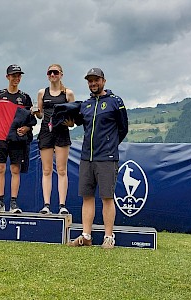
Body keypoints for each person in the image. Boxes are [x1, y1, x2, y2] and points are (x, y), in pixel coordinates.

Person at [68, 68, 128, 249]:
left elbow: (123, 128)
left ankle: (109, 237)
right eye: (90, 81)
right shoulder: (85, 104)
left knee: (107, 198)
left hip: (107, 158)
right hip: (87, 157)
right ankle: (86, 236)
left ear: (104, 81)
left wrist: (110, 145)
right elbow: (75, 122)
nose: (93, 83)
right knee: (87, 197)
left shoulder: (115, 102)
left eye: (96, 80)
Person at [0, 64, 34, 213]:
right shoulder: (0, 95)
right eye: (14, 75)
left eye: (19, 75)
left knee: (15, 169)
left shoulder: (25, 97)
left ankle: (13, 203)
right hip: (1, 137)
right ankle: (0, 202)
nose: (17, 78)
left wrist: (26, 129)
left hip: (17, 139)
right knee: (0, 168)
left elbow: (31, 121)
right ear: (7, 77)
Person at [34, 64, 75, 215]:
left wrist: (69, 122)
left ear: (61, 74)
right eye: (50, 72)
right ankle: (46, 205)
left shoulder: (68, 93)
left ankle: (62, 205)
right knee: (46, 170)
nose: (53, 75)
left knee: (62, 170)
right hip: (46, 131)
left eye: (55, 72)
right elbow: (40, 115)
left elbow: (73, 119)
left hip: (62, 132)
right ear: (47, 75)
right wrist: (35, 112)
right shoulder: (42, 93)